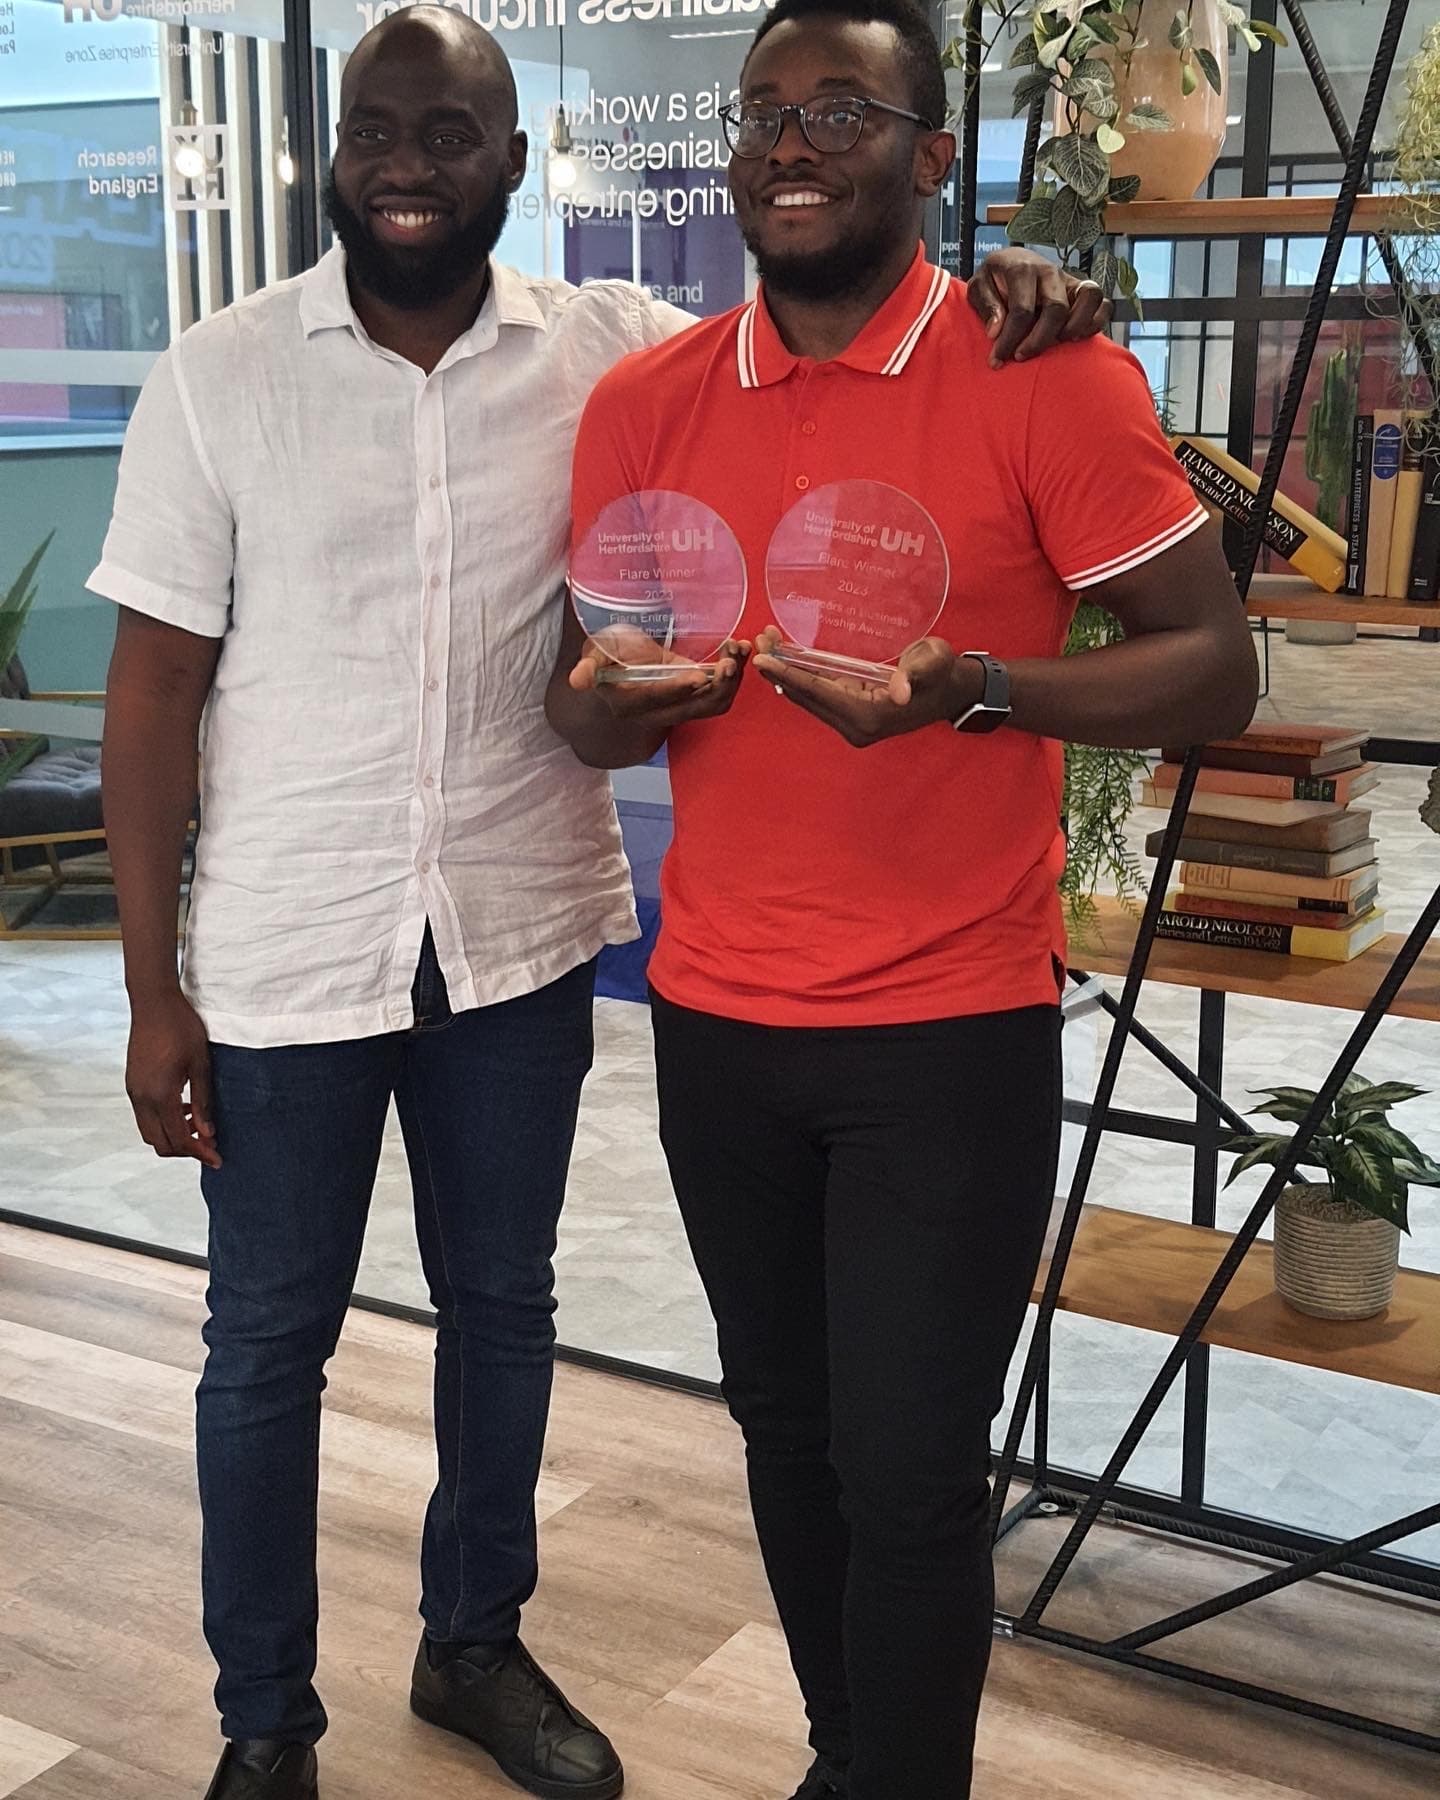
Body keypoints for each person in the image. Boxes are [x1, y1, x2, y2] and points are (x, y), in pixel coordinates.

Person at [94, 10, 1114, 1800]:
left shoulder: (607, 350)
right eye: (375, 131)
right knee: (262, 1345)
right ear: (334, 153)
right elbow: (153, 692)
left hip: (515, 931)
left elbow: (825, 302)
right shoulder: (217, 373)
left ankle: (474, 1644)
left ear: (514, 161)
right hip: (286, 943)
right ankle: (265, 1721)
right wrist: (149, 987)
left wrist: (1023, 280)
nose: (407, 166)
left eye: (450, 135)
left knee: (504, 1310)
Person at [546, 2, 1260, 1796]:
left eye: (842, 111)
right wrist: (620, 700)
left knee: (914, 1470)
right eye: (764, 111)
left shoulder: (1047, 377)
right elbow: (581, 705)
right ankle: (848, 1755)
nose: (791, 143)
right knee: (785, 1432)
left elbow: (1213, 666)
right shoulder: (646, 404)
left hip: (948, 1028)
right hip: (716, 1018)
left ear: (934, 158)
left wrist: (978, 692)